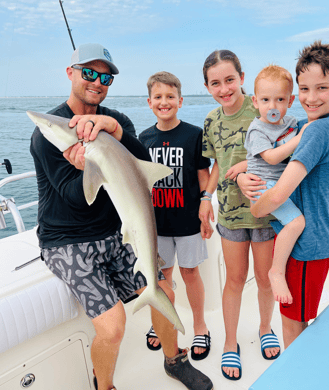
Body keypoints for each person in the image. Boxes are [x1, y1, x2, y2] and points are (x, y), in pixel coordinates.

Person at [30, 43, 213, 390]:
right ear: (71, 73)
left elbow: (142, 163)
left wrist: (113, 129)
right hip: (68, 241)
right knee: (113, 328)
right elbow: (74, 198)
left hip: (115, 233)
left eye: (105, 76)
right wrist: (88, 167)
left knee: (165, 295)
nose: (97, 81)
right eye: (88, 72)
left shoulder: (118, 121)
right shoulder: (46, 135)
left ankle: (174, 361)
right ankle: (105, 386)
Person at [237, 41, 329, 349]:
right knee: (296, 320)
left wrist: (257, 209)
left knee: (292, 328)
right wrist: (244, 177)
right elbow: (264, 155)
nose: (311, 98)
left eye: (322, 88)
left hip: (305, 245)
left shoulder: (316, 131)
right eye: (304, 89)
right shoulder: (307, 124)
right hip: (304, 240)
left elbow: (276, 196)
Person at [199, 50, 281, 381]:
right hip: (230, 217)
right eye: (215, 83)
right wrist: (206, 197)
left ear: (242, 78)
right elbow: (217, 162)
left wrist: (250, 166)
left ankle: (265, 328)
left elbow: (281, 154)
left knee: (264, 279)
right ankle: (230, 342)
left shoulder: (263, 108)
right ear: (207, 87)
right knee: (234, 279)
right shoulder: (211, 120)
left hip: (265, 214)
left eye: (230, 80)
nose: (224, 89)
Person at [139, 71, 212, 360]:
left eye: (170, 97)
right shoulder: (143, 139)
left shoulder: (194, 135)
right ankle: (162, 323)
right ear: (149, 102)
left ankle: (200, 326)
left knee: (191, 273)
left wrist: (206, 209)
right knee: (163, 274)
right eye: (158, 97)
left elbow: (203, 175)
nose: (164, 102)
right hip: (156, 225)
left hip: (188, 223)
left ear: (180, 101)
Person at [245, 65, 306, 305]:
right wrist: (301, 138)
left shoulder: (291, 122)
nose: (273, 106)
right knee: (296, 222)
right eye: (266, 100)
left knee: (294, 224)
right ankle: (276, 271)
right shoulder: (257, 129)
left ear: (291, 100)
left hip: (280, 184)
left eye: (280, 99)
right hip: (262, 185)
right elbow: (271, 158)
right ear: (255, 101)